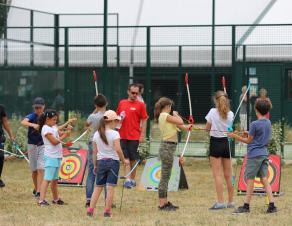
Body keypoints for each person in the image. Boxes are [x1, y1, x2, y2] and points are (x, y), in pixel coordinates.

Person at [228, 98, 277, 214]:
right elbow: (256, 135)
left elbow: (249, 141)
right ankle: (272, 205)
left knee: (250, 179)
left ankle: (246, 206)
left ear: (256, 110)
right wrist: (248, 133)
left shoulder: (254, 124)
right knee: (264, 179)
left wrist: (235, 136)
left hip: (254, 156)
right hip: (264, 154)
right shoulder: (268, 122)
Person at [87, 110, 126, 217]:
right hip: (113, 162)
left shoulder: (96, 134)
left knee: (98, 187)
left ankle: (90, 209)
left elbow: (95, 152)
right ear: (112, 121)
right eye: (117, 121)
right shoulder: (115, 133)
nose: (117, 123)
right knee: (110, 188)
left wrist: (95, 165)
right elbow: (118, 149)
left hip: (100, 162)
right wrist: (123, 160)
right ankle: (107, 211)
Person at [154, 97, 190, 211]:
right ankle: (162, 204)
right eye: (170, 107)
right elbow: (179, 121)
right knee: (164, 177)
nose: (171, 109)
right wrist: (176, 114)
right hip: (167, 147)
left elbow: (181, 126)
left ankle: (165, 202)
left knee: (167, 176)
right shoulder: (164, 115)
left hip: (169, 147)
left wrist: (188, 127)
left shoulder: (168, 117)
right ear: (167, 106)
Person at [205, 91, 234, 210]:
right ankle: (231, 202)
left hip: (216, 143)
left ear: (216, 100)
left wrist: (208, 128)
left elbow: (207, 128)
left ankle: (221, 202)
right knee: (228, 175)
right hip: (226, 144)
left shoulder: (212, 112)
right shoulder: (231, 114)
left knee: (217, 175)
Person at [116, 83, 148, 188]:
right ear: (128, 92)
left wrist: (142, 135)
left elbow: (144, 119)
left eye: (137, 93)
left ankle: (132, 180)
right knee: (125, 159)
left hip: (134, 136)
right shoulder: (122, 103)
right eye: (133, 93)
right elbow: (117, 118)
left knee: (133, 159)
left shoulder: (141, 105)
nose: (134, 95)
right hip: (122, 135)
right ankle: (127, 180)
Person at [38, 109, 71, 207]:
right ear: (47, 119)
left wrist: (67, 130)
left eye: (56, 120)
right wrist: (65, 135)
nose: (55, 122)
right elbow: (55, 141)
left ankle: (56, 199)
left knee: (55, 180)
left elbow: (58, 133)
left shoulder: (53, 127)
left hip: (57, 156)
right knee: (47, 179)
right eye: (53, 120)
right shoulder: (45, 129)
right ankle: (41, 200)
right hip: (50, 157)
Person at [85, 94, 108, 207]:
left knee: (91, 172)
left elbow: (87, 123)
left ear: (95, 105)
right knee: (106, 171)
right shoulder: (108, 115)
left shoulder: (92, 116)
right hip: (104, 143)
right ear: (106, 104)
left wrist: (95, 109)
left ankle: (89, 199)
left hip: (92, 142)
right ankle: (108, 200)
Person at [21, 97, 45, 198]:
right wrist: (33, 125)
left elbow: (54, 125)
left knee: (40, 168)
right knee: (34, 170)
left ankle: (39, 191)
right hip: (32, 145)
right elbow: (23, 122)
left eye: (39, 107)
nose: (38, 109)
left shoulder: (46, 116)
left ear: (44, 107)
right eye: (36, 108)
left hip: (43, 145)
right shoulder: (32, 116)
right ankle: (36, 188)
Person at [0, 105, 14, 188]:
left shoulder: (1, 108)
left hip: (0, 136)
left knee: (1, 157)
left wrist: (11, 135)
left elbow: (5, 122)